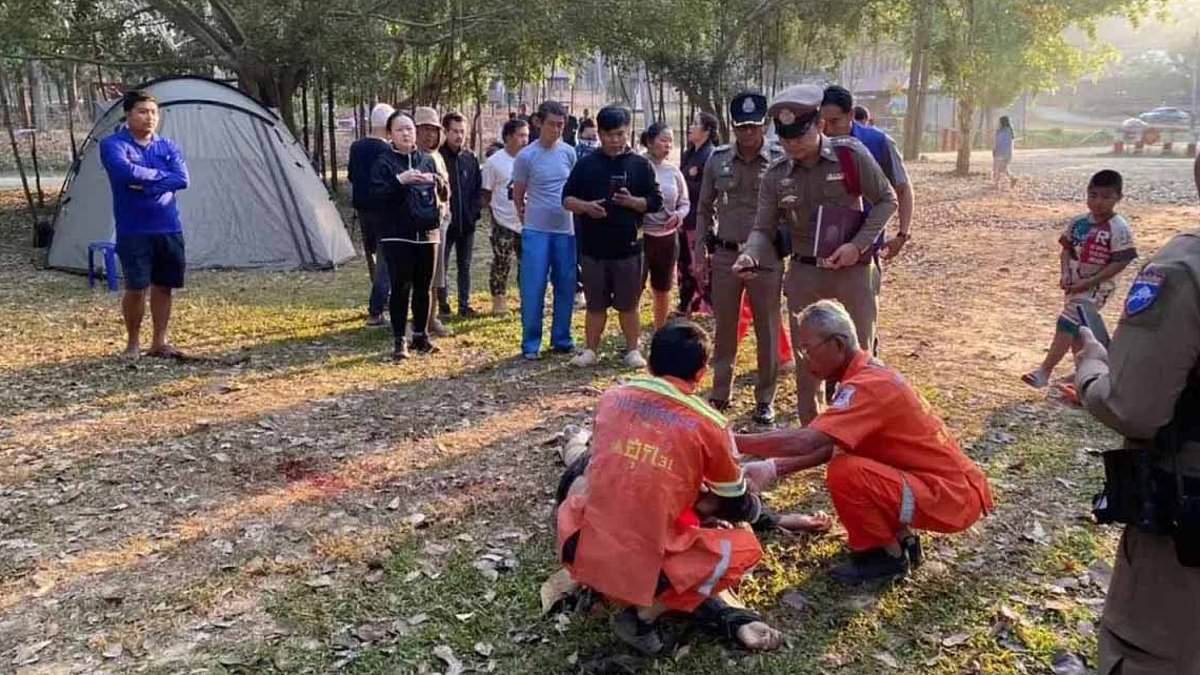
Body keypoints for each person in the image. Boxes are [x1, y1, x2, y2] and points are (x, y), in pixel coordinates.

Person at [556, 320, 784, 655]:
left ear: (649, 363)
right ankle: (644, 617)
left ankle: (621, 592)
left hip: (581, 550)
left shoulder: (613, 398)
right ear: (702, 372)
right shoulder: (709, 425)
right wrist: (748, 496)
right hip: (643, 569)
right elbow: (735, 504)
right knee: (742, 548)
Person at [737, 300, 993, 583]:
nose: (804, 358)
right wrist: (772, 468)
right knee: (847, 461)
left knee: (846, 472)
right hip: (946, 489)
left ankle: (882, 557)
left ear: (837, 344)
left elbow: (807, 442)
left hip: (950, 496)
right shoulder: (865, 375)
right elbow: (830, 445)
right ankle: (899, 539)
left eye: (808, 349)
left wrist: (734, 442)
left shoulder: (868, 386)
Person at [1070, 154, 1200, 674]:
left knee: (1151, 651)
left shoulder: (1184, 270)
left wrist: (1090, 367)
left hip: (1185, 530)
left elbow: (1133, 407)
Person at [734, 84, 898, 424]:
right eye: (786, 137)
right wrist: (750, 255)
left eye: (799, 135)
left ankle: (856, 426)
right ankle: (812, 427)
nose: (792, 144)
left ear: (819, 125)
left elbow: (886, 200)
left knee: (856, 353)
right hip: (805, 274)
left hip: (852, 272)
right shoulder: (777, 175)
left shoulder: (850, 155)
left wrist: (858, 244)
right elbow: (763, 229)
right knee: (808, 354)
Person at [694, 92, 787, 425]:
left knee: (768, 327)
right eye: (741, 127)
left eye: (753, 126)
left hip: (766, 257)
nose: (748, 133)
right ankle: (720, 392)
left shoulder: (780, 158)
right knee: (725, 328)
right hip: (726, 254)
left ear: (764, 125)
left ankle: (765, 398)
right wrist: (699, 250)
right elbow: (704, 208)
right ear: (733, 127)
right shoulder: (717, 160)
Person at [563, 105, 662, 369]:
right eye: (608, 135)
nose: (615, 140)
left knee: (629, 305)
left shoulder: (641, 165)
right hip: (594, 248)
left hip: (629, 249)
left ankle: (632, 350)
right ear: (600, 134)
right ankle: (591, 350)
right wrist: (586, 208)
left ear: (628, 132)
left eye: (620, 134)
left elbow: (655, 202)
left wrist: (633, 202)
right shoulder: (586, 164)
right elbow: (567, 199)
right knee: (595, 304)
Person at [1023, 170, 1136, 389]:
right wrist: (1065, 272)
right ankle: (1085, 374)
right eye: (1093, 195)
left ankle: (1044, 371)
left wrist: (1091, 282)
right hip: (1075, 284)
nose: (1098, 202)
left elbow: (1120, 262)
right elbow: (1066, 250)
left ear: (1118, 198)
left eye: (1106, 197)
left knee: (1067, 322)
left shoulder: (1119, 228)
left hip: (1097, 287)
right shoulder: (1078, 223)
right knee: (1079, 331)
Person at [99, 90, 190, 359]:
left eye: (153, 112)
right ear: (128, 114)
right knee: (136, 287)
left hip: (168, 227)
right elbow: (124, 172)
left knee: (164, 286)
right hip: (134, 228)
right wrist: (163, 177)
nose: (149, 118)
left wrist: (146, 186)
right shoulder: (113, 145)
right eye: (142, 111)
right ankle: (133, 344)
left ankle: (159, 341)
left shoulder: (168, 146)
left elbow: (182, 179)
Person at [368, 112, 449, 359]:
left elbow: (445, 194)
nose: (406, 134)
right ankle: (399, 340)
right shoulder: (383, 162)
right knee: (401, 287)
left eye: (410, 129)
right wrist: (399, 180)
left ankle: (420, 336)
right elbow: (375, 196)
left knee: (424, 287)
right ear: (390, 134)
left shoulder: (427, 160)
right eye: (400, 129)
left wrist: (436, 180)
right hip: (396, 233)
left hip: (427, 231)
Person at [512, 100, 578, 360]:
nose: (556, 130)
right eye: (552, 124)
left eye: (561, 125)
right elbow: (518, 193)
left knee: (565, 284)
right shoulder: (527, 156)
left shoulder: (569, 153)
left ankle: (562, 337)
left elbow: (573, 187)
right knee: (533, 286)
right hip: (537, 230)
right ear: (539, 123)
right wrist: (523, 215)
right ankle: (531, 343)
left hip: (566, 229)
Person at [821, 85, 914, 263]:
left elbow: (902, 189)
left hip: (866, 246)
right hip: (822, 247)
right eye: (823, 122)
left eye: (835, 121)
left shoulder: (879, 142)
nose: (829, 129)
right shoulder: (814, 145)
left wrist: (902, 234)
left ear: (850, 115)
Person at [348, 103, 396, 327]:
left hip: (362, 208)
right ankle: (376, 309)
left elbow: (350, 176)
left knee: (373, 255)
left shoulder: (356, 147)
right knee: (385, 259)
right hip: (384, 211)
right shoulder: (388, 151)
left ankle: (381, 296)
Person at [640, 123, 690, 330]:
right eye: (663, 140)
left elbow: (685, 202)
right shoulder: (638, 166)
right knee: (634, 288)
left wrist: (679, 216)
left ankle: (660, 330)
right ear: (650, 142)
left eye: (671, 140)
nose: (668, 145)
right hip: (641, 237)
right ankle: (632, 335)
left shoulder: (673, 171)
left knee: (663, 288)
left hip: (668, 238)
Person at [438, 111, 484, 317]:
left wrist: (474, 214)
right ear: (445, 132)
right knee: (442, 266)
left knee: (464, 266)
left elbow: (477, 189)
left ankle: (464, 304)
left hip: (467, 223)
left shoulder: (470, 158)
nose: (459, 136)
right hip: (445, 224)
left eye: (462, 132)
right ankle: (442, 304)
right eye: (454, 131)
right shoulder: (437, 157)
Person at [482, 118, 529, 315]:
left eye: (527, 135)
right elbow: (486, 192)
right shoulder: (494, 163)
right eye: (520, 135)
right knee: (502, 262)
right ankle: (499, 300)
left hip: (527, 222)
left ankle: (528, 299)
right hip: (503, 221)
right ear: (508, 137)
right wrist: (491, 217)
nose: (525, 140)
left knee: (527, 262)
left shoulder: (530, 159)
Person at [414, 106, 453, 338]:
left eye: (433, 130)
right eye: (425, 129)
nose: (430, 135)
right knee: (422, 277)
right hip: (421, 224)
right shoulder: (413, 157)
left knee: (438, 275)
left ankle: (432, 318)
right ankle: (419, 321)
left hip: (441, 221)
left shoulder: (437, 156)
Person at [678, 111, 718, 317]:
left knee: (699, 264)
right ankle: (686, 303)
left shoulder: (711, 155)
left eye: (695, 124)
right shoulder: (689, 154)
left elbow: (708, 191)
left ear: (707, 131)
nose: (690, 127)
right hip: (684, 218)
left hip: (699, 219)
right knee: (684, 264)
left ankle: (709, 305)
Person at [993, 116, 1016, 189]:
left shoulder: (1000, 131)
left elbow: (997, 142)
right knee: (1004, 168)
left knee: (996, 168)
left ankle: (996, 185)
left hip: (1000, 152)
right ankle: (1012, 178)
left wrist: (994, 150)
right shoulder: (1010, 131)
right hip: (1008, 153)